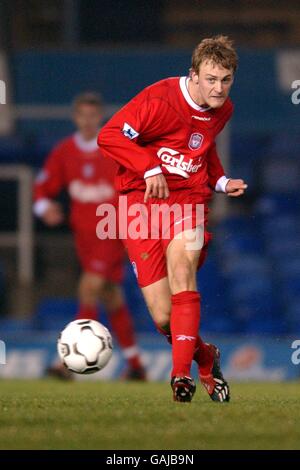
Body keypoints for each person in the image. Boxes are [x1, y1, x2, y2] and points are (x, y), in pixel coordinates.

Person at [98, 36, 247, 402]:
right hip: (139, 204)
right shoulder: (159, 100)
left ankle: (181, 376)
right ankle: (206, 356)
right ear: (193, 75)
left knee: (183, 271)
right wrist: (149, 168)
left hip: (188, 202)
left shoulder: (222, 109)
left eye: (226, 79)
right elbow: (109, 135)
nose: (219, 88)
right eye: (211, 79)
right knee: (163, 316)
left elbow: (202, 150)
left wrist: (222, 180)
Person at [33, 92, 146, 380]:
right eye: (82, 115)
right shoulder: (64, 151)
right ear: (75, 117)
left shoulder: (113, 149)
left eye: (92, 115)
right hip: (84, 238)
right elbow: (43, 186)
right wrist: (44, 206)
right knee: (111, 297)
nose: (87, 120)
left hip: (111, 232)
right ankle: (136, 366)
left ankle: (69, 363)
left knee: (88, 288)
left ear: (100, 118)